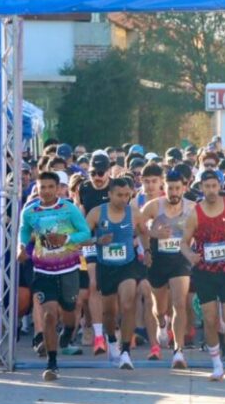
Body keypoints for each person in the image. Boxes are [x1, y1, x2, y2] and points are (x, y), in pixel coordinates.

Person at [18, 172, 91, 381]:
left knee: (69, 313)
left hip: (68, 269)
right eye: (42, 187)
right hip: (43, 271)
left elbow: (85, 233)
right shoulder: (30, 210)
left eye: (51, 187)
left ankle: (68, 333)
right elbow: (24, 232)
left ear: (58, 188)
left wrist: (66, 238)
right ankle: (52, 363)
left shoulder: (69, 208)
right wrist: (21, 247)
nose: (46, 191)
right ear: (37, 188)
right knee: (50, 314)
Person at [181, 170, 225, 381]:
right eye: (207, 186)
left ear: (219, 186)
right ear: (201, 187)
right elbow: (184, 242)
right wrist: (191, 255)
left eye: (214, 186)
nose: (211, 190)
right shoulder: (195, 213)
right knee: (210, 320)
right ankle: (217, 365)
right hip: (205, 272)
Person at [86, 177, 146, 370]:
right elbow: (82, 238)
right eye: (119, 195)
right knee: (109, 313)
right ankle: (112, 340)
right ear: (110, 194)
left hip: (127, 265)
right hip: (106, 267)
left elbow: (144, 232)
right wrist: (97, 240)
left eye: (127, 195)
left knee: (128, 304)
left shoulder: (134, 212)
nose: (123, 199)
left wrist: (148, 251)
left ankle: (126, 351)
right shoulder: (97, 213)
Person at [140, 169, 195, 367]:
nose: (173, 192)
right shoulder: (154, 206)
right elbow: (139, 227)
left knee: (179, 303)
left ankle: (178, 351)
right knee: (160, 308)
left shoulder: (192, 208)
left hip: (180, 260)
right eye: (170, 188)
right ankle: (161, 324)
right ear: (164, 187)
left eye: (177, 188)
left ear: (184, 188)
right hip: (158, 261)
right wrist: (152, 238)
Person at [78, 152, 112, 356]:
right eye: (93, 173)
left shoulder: (117, 185)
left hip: (114, 240)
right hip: (91, 240)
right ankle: (95, 331)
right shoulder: (84, 187)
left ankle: (112, 327)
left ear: (108, 172)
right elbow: (80, 214)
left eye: (101, 173)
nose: (97, 177)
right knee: (92, 284)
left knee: (111, 287)